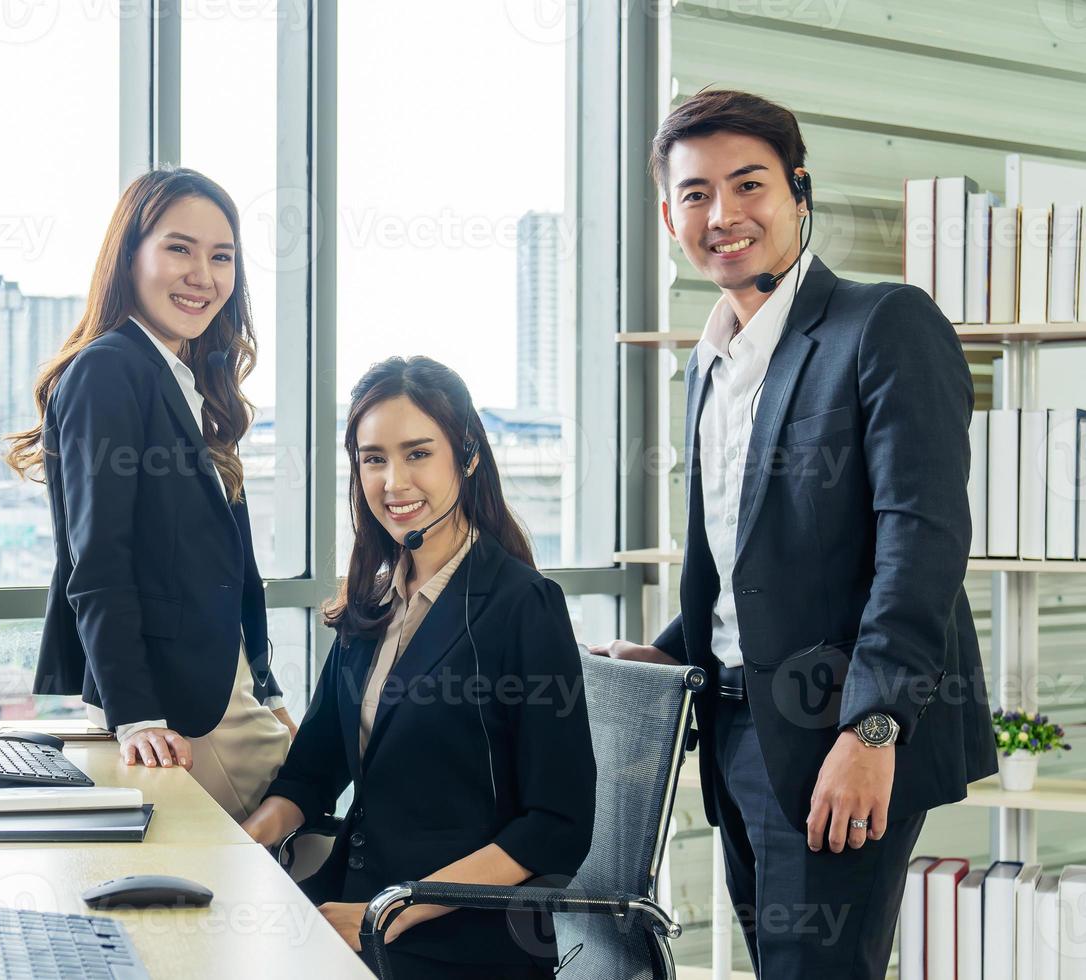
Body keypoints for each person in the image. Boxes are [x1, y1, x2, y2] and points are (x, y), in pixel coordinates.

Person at [592, 89, 996, 979]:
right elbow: (743, 552)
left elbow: (920, 543)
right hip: (735, 724)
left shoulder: (882, 324)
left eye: (749, 185)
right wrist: (673, 652)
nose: (723, 215)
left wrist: (873, 730)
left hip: (839, 731)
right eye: (696, 195)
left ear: (799, 192)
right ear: (670, 215)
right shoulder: (710, 360)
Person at [242, 356, 595, 980]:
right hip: (354, 906)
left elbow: (556, 826)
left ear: (467, 457)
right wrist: (242, 846)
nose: (393, 481)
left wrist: (390, 912)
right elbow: (312, 771)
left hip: (459, 935)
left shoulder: (522, 606)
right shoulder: (372, 606)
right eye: (373, 458)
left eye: (417, 453)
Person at [5, 166, 294, 821]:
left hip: (222, 692)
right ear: (128, 255)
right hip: (180, 708)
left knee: (252, 882)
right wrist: (136, 716)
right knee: (310, 860)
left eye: (222, 257)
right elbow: (99, 561)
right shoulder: (111, 369)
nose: (203, 274)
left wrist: (269, 692)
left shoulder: (185, 381)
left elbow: (231, 569)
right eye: (179, 248)